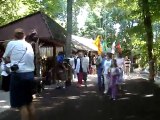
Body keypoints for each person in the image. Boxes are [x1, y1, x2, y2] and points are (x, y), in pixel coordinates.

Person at [3, 28, 36, 120]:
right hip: (30, 75)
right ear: (24, 35)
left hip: (18, 75)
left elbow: (5, 57)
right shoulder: (29, 45)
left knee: (22, 105)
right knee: (29, 102)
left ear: (14, 36)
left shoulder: (11, 43)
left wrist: (11, 62)